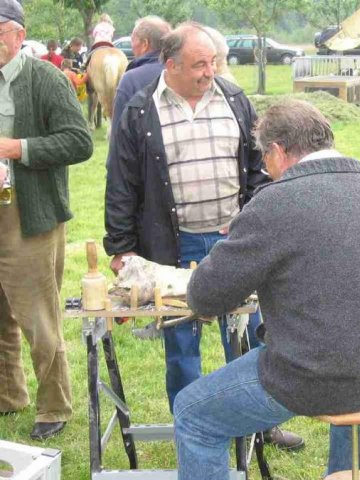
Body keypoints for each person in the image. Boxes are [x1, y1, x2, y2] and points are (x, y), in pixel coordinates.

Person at [174, 98, 360, 479]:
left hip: (313, 375)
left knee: (193, 414)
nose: (265, 170)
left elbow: (206, 296)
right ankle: (345, 470)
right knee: (355, 357)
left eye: (264, 159)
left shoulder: (274, 203)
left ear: (277, 151)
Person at [104, 22, 303, 450]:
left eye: (213, 61)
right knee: (181, 348)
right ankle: (190, 433)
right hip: (174, 245)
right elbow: (121, 183)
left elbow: (258, 167)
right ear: (170, 64)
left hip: (237, 241)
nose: (209, 71)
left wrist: (256, 219)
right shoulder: (140, 111)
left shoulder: (234, 99)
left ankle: (259, 428)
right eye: (199, 64)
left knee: (252, 339)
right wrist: (120, 247)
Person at [0, 0, 93, 440]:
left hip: (28, 213)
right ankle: (7, 395)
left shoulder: (48, 78)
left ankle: (54, 405)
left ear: (19, 35)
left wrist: (18, 149)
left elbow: (79, 142)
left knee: (37, 316)